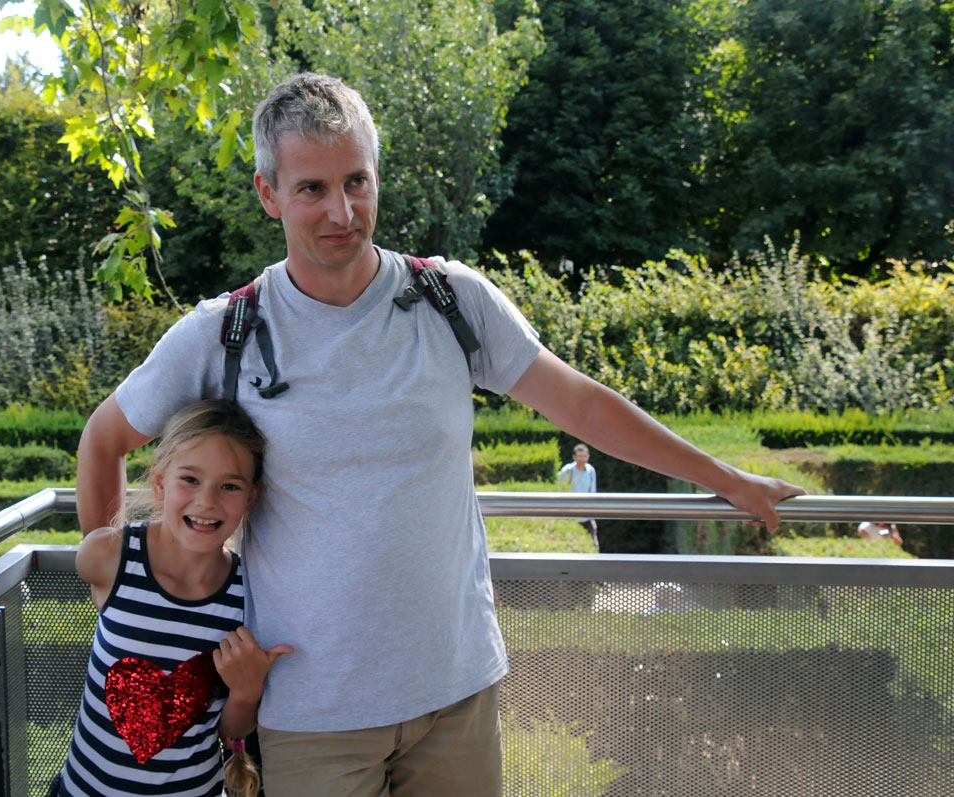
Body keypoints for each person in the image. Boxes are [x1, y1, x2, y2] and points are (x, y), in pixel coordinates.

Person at [76, 72, 804, 796]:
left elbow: (582, 406)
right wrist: (123, 600)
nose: (342, 211)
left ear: (377, 174)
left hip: (456, 695)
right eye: (312, 189)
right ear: (269, 194)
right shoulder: (224, 331)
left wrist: (727, 480)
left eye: (357, 181)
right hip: (312, 713)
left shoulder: (451, 300)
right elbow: (104, 440)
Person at [53, 400, 292, 797]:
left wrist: (247, 690)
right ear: (160, 483)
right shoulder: (107, 557)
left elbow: (231, 732)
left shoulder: (248, 596)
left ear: (251, 499)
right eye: (190, 479)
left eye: (229, 486)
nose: (207, 501)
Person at [558, 443, 600, 550]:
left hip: (587, 514)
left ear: (588, 457)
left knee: (594, 545)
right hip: (570, 514)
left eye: (584, 456)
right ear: (574, 457)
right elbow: (559, 488)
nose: (582, 459)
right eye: (579, 456)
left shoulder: (591, 470)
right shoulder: (568, 470)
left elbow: (593, 491)